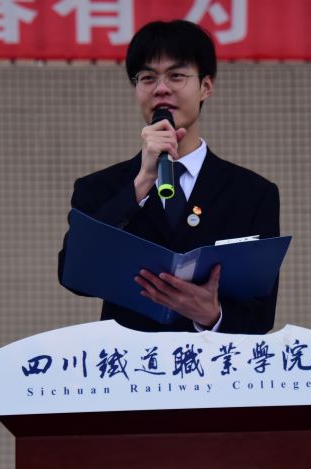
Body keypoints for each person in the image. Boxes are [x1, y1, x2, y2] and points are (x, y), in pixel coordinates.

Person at [57, 20, 280, 335]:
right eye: (148, 77)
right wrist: (143, 181)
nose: (161, 88)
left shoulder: (252, 193)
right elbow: (73, 273)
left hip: (214, 364)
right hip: (130, 363)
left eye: (177, 76)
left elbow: (260, 315)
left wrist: (211, 314)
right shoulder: (100, 188)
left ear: (206, 86)